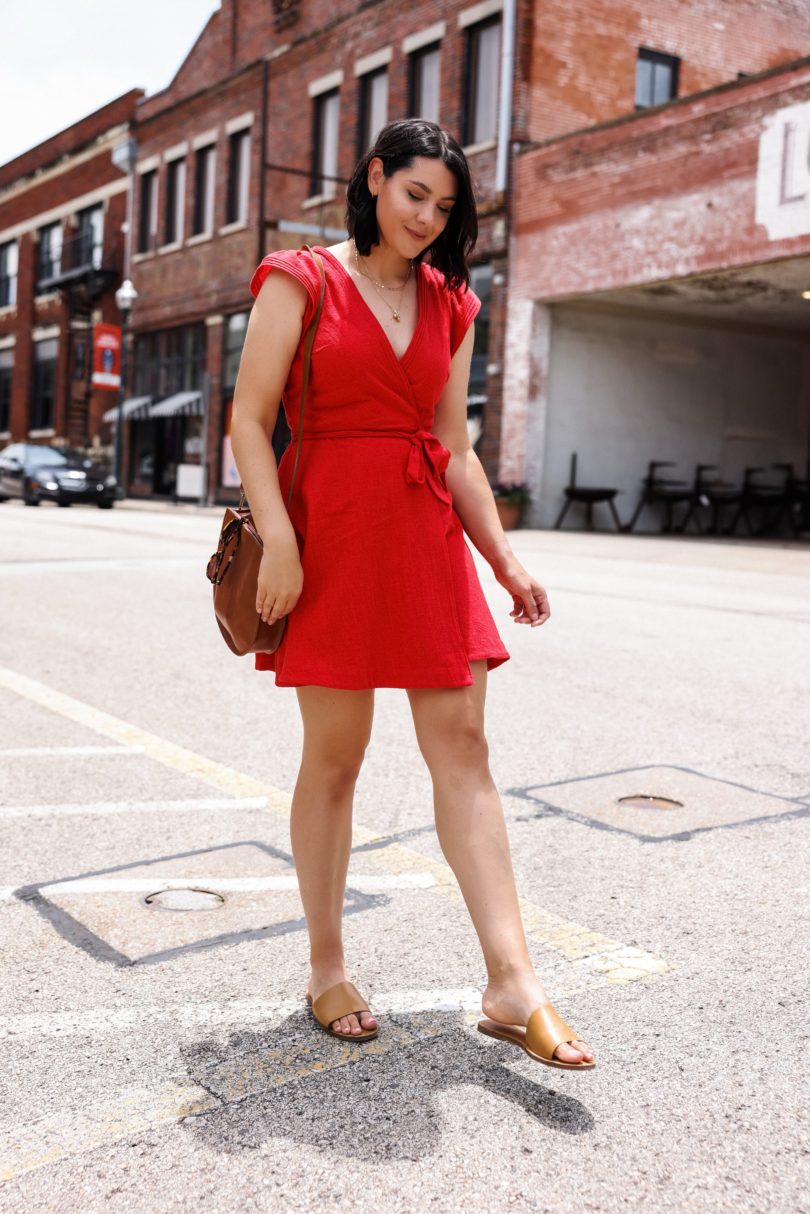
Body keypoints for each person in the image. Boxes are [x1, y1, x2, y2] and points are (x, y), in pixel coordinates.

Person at [230, 119, 595, 1071]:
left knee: (465, 746)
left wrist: (504, 560)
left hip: (425, 536)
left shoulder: (452, 304)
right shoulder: (298, 280)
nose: (428, 219)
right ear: (375, 178)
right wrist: (278, 541)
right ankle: (326, 968)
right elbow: (249, 417)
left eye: (445, 207)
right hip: (330, 541)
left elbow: (456, 448)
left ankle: (512, 983)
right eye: (414, 196)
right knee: (337, 758)